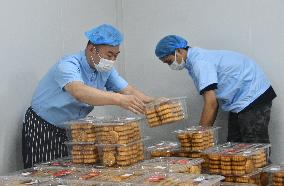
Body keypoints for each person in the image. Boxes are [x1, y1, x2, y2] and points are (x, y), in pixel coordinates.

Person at [22, 24, 153, 168]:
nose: (112, 60)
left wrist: (153, 102)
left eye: (116, 55)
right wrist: (118, 99)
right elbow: (78, 91)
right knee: (43, 173)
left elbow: (128, 90)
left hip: (73, 129)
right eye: (109, 55)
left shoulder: (104, 70)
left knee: (70, 174)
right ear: (91, 49)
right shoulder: (69, 64)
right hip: (45, 125)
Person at [155, 35, 276, 144]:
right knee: (234, 147)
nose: (170, 65)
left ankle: (264, 167)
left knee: (255, 149)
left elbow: (212, 104)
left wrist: (199, 137)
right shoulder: (194, 61)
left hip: (253, 95)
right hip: (241, 100)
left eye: (169, 61)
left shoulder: (199, 62)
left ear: (179, 51)